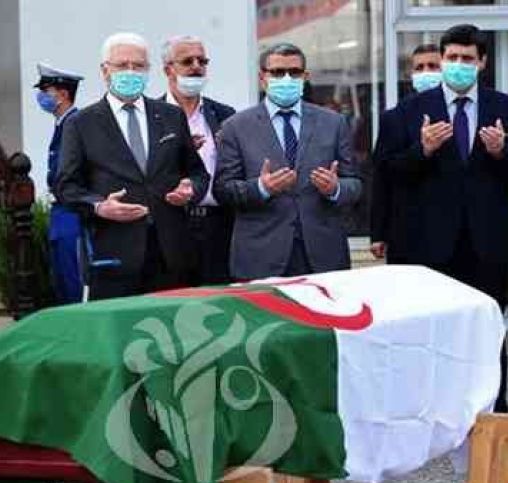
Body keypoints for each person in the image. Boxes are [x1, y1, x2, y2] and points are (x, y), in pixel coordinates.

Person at [374, 24, 508, 411]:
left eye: (468, 59)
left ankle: (489, 406)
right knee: (433, 330)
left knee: (486, 330)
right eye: (452, 58)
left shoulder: (502, 108)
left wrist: (502, 152)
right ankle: (432, 407)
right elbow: (387, 172)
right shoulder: (405, 113)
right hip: (429, 244)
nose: (459, 66)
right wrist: (423, 149)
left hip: (488, 244)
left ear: (482, 62)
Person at [57, 32, 209, 299]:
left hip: (171, 253)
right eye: (122, 65)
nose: (131, 72)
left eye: (138, 66)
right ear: (105, 71)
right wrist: (99, 206)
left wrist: (191, 189)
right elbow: (66, 186)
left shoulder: (171, 116)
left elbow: (197, 173)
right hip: (114, 254)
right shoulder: (82, 123)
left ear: (149, 70)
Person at [213, 42, 361, 280]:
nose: (286, 79)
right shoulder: (236, 127)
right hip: (261, 255)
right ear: (263, 78)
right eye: (278, 72)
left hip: (322, 254)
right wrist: (262, 188)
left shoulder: (333, 123)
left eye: (294, 72)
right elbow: (223, 190)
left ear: (305, 77)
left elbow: (355, 184)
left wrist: (336, 189)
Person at [160, 35, 236, 285]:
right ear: (168, 69)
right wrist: (179, 152)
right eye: (187, 61)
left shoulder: (225, 114)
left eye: (202, 60)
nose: (196, 66)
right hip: (173, 224)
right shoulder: (152, 116)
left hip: (219, 224)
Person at [371, 43, 442, 261]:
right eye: (419, 67)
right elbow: (382, 175)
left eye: (433, 66)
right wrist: (378, 233)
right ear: (410, 74)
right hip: (410, 228)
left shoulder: (465, 110)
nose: (426, 72)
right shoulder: (395, 117)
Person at [34, 63, 84, 303]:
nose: (42, 96)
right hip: (61, 212)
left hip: (72, 211)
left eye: (46, 90)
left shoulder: (76, 123)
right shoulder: (63, 124)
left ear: (63, 94)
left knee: (73, 280)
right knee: (62, 280)